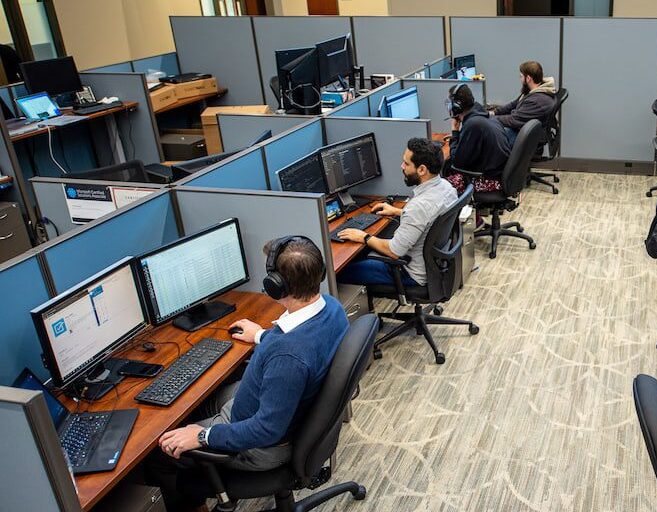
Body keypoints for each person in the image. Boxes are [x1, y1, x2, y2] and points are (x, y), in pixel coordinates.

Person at [145, 236, 348, 511]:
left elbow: (265, 429)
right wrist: (261, 336)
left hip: (262, 446)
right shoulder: (331, 308)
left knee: (159, 452)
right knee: (201, 401)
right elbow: (305, 349)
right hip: (282, 409)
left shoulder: (287, 357)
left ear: (274, 287)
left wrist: (202, 437)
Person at [336, 137, 458, 287]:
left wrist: (364, 237)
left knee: (339, 271)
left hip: (408, 273)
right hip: (432, 266)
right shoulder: (447, 188)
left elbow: (394, 252)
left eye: (406, 163)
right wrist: (398, 211)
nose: (402, 166)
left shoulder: (418, 207)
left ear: (422, 170)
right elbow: (430, 216)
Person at [444, 83, 511, 195]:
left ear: (457, 106)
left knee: (442, 186)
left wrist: (455, 132)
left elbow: (457, 163)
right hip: (499, 174)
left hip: (489, 181)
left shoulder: (473, 124)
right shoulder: (485, 116)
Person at [489, 60, 557, 141]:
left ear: (528, 78)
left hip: (523, 136)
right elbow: (513, 104)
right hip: (520, 128)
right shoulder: (534, 90)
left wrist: (489, 119)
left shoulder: (537, 101)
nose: (520, 79)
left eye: (521, 76)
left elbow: (513, 120)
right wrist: (494, 112)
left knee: (488, 135)